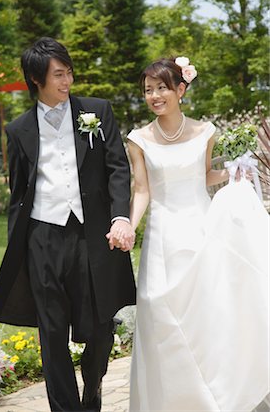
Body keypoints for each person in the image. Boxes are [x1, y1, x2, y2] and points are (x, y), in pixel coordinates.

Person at [0, 37, 136, 412]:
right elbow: (19, 190)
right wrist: (19, 243)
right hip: (42, 237)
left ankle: (94, 382)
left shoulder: (97, 111)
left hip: (91, 234)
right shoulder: (17, 130)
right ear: (37, 79)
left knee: (101, 327)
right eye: (59, 75)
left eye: (68, 73)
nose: (67, 82)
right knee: (51, 334)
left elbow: (118, 167)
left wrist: (120, 216)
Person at [126, 57, 269, 411]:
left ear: (181, 89)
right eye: (147, 90)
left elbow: (204, 176)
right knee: (158, 309)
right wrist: (128, 222)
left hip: (201, 230)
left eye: (161, 88)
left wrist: (233, 173)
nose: (154, 96)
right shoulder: (138, 139)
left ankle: (214, 396)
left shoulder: (206, 131)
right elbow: (142, 189)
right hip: (161, 238)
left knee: (206, 314)